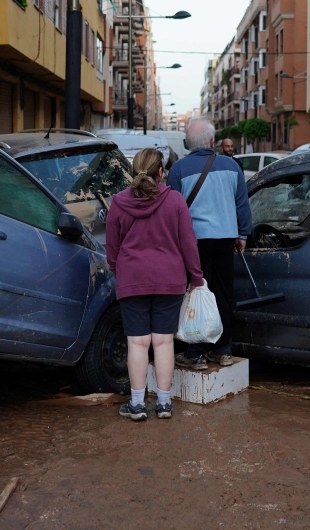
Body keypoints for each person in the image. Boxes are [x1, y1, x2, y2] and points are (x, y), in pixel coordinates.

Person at [107, 148, 205, 421]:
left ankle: (137, 405)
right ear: (161, 172)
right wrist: (196, 277)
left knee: (137, 343)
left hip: (132, 279)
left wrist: (119, 269)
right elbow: (189, 244)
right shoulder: (174, 201)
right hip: (169, 280)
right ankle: (163, 404)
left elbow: (111, 247)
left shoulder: (118, 203)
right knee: (163, 343)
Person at [168, 117, 251, 369]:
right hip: (226, 239)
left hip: (194, 242)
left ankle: (196, 353)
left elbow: (172, 209)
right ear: (213, 141)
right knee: (224, 294)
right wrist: (243, 234)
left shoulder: (178, 169)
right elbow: (242, 204)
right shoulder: (231, 166)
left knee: (197, 293)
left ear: (188, 143)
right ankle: (223, 350)